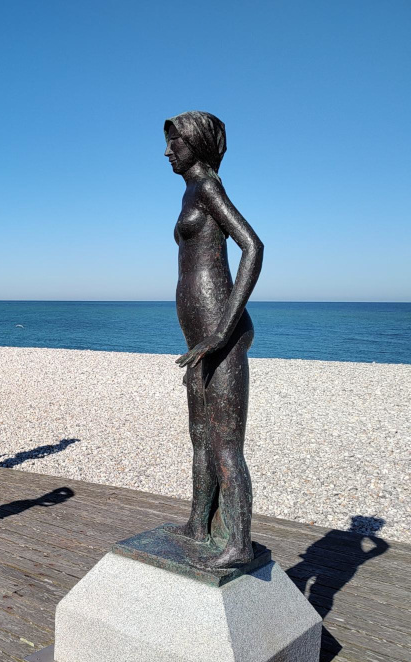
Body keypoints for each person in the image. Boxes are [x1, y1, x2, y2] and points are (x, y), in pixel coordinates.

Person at [163, 112, 264, 568]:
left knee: (224, 443)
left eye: (176, 143)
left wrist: (223, 330)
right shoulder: (191, 191)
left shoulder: (207, 187)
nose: (167, 151)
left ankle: (239, 543)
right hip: (199, 340)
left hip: (220, 339)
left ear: (197, 145)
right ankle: (198, 524)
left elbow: (253, 247)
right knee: (200, 438)